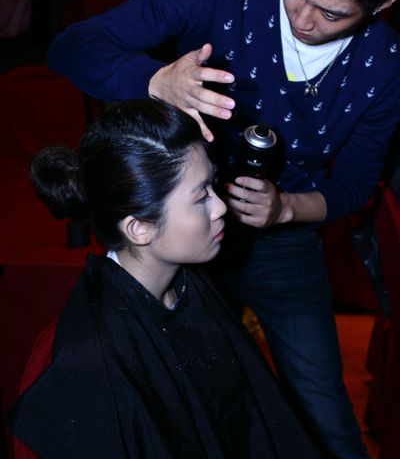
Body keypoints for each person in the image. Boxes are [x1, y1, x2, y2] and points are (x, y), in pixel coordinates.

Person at [46, 0, 400, 457]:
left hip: (284, 244)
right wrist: (155, 80)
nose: (302, 18)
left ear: (381, 5)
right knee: (191, 414)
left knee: (325, 416)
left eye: (332, 13)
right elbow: (72, 46)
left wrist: (286, 208)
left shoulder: (383, 65)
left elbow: (355, 185)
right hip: (183, 234)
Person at [8, 99, 320, 459]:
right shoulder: (95, 361)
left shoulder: (189, 286)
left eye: (213, 185)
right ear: (139, 228)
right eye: (201, 198)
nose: (220, 207)